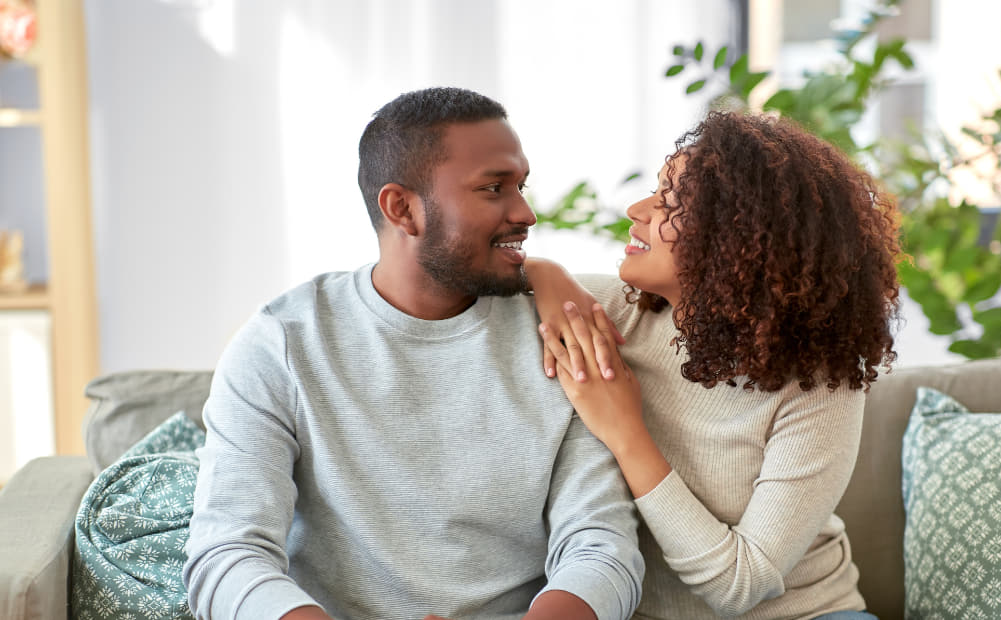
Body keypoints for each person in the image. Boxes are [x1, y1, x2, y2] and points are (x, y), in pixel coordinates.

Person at [183, 87, 644, 620]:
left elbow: (601, 546)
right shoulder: (281, 344)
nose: (526, 213)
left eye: (520, 185)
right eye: (494, 188)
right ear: (401, 208)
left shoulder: (560, 332)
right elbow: (227, 554)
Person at [529, 110, 902, 619]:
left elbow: (743, 585)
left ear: (737, 238)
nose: (637, 210)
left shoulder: (818, 384)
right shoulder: (610, 315)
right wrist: (543, 271)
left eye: (670, 202)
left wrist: (624, 431)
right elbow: (475, 272)